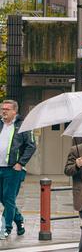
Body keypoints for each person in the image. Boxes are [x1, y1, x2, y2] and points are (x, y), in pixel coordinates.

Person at [0, 100, 36, 238]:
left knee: (9, 199)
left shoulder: (23, 126)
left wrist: (20, 163)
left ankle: (6, 228)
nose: (4, 111)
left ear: (15, 111)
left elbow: (31, 146)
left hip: (13, 169)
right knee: (2, 198)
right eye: (2, 109)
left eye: (7, 109)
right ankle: (19, 220)